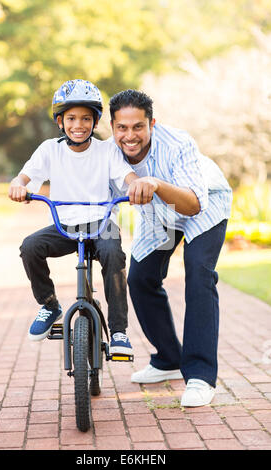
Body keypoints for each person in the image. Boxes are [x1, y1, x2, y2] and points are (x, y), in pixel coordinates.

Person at [8, 80, 153, 355]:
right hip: (65, 226)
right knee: (30, 246)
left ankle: (119, 331)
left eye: (86, 118)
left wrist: (136, 185)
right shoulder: (49, 149)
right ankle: (50, 305)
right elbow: (26, 176)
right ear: (60, 121)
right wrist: (18, 184)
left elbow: (126, 176)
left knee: (113, 253)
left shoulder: (106, 150)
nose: (79, 125)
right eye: (71, 118)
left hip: (101, 224)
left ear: (96, 122)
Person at [108, 89, 232, 407]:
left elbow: (192, 205)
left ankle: (201, 376)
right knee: (139, 279)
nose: (130, 135)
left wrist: (157, 184)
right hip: (159, 217)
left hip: (202, 208)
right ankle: (168, 358)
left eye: (138, 126)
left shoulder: (177, 143)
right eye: (122, 127)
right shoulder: (108, 152)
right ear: (112, 127)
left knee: (199, 275)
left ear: (152, 123)